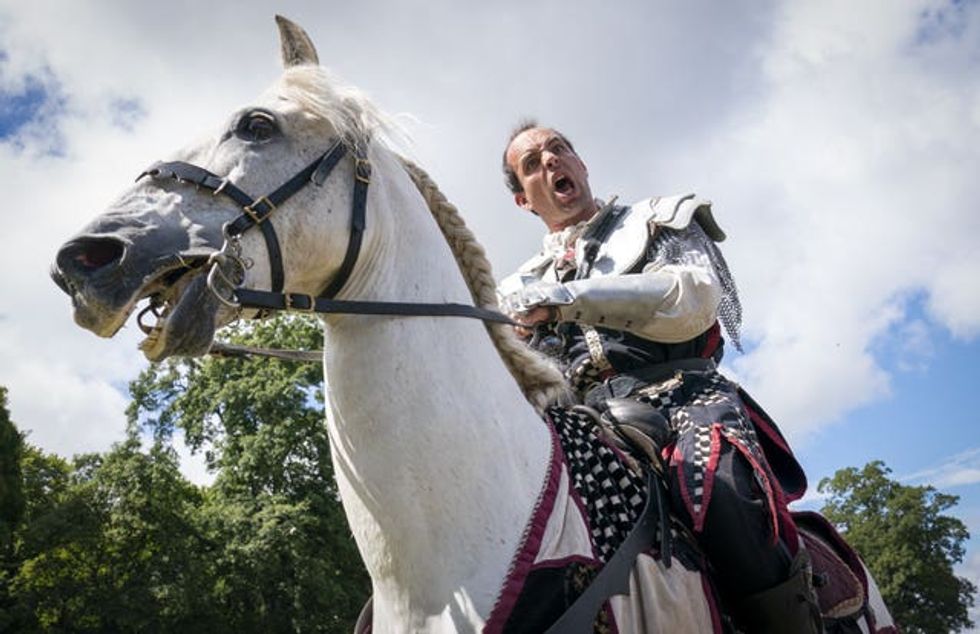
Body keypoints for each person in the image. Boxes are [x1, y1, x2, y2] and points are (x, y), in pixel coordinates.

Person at [497, 122, 821, 633]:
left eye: (559, 149)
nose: (552, 161)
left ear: (581, 164)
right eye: (533, 163)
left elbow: (691, 298)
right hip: (582, 421)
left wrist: (565, 301)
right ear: (523, 200)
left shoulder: (657, 219)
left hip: (681, 395)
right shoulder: (514, 286)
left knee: (720, 489)